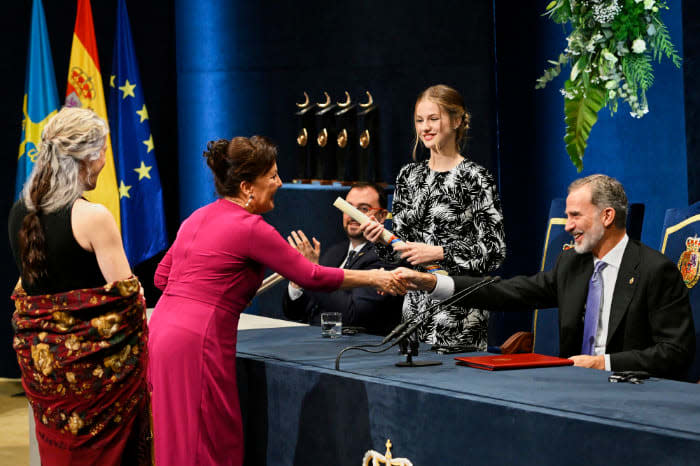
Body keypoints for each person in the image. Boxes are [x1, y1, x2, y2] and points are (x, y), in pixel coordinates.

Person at [148, 136, 405, 466]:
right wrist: (376, 277)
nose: (280, 183)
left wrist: (209, 289)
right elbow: (311, 276)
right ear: (247, 187)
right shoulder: (250, 227)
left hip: (162, 333)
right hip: (198, 341)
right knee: (208, 437)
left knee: (175, 436)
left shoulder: (197, 217)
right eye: (272, 176)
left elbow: (160, 278)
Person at [399, 175, 695, 379]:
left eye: (575, 215)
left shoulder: (655, 270)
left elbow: (675, 353)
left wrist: (602, 363)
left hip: (630, 391)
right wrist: (435, 283)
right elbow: (509, 291)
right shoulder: (572, 264)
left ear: (607, 216)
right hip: (570, 389)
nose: (567, 226)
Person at [8, 107, 150, 465]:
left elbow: (29, 293)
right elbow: (129, 302)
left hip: (47, 385)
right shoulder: (93, 217)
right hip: (99, 395)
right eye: (103, 150)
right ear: (87, 157)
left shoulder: (17, 212)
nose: (105, 159)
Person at [361, 84, 506, 350]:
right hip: (414, 310)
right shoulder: (408, 177)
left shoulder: (475, 177)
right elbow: (400, 252)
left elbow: (494, 252)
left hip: (459, 311)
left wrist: (439, 252)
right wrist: (381, 239)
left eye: (433, 119)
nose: (425, 127)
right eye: (419, 120)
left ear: (457, 120)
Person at [283, 182, 402, 334]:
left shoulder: (387, 257)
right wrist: (298, 281)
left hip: (355, 350)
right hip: (313, 341)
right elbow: (294, 313)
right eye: (348, 207)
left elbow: (352, 316)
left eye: (363, 209)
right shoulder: (335, 252)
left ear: (382, 216)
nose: (353, 215)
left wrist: (313, 273)